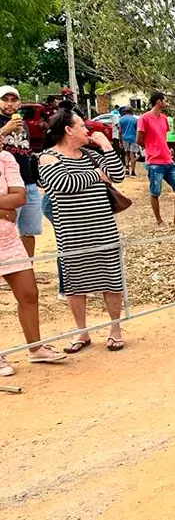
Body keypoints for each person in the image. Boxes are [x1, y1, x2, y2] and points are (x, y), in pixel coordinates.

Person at [38, 107, 128, 352]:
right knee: (75, 284)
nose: (88, 130)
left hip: (104, 228)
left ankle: (115, 328)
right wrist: (97, 175)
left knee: (111, 279)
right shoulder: (48, 158)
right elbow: (64, 184)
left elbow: (118, 175)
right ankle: (82, 332)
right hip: (72, 232)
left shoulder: (91, 154)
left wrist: (107, 147)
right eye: (82, 126)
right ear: (68, 130)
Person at [0, 150, 67, 376]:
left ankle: (35, 348)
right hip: (5, 226)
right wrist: (2, 209)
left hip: (7, 239)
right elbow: (10, 200)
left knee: (29, 293)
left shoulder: (6, 158)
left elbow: (20, 197)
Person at [0, 87, 42, 262]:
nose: (10, 104)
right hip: (7, 187)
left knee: (29, 231)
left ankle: (27, 269)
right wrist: (4, 130)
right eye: (5, 100)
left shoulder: (23, 123)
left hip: (28, 184)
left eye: (13, 100)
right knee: (4, 231)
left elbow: (26, 152)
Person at [137, 91, 175, 227]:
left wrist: (172, 148)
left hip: (167, 159)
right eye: (165, 101)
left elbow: (164, 137)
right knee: (155, 192)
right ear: (158, 102)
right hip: (154, 161)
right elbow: (139, 139)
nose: (167, 103)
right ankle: (159, 221)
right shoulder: (144, 118)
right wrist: (151, 148)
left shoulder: (164, 118)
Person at [118, 107, 139, 176]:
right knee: (132, 154)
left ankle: (127, 168)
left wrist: (120, 140)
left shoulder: (121, 119)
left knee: (126, 154)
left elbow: (120, 131)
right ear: (131, 112)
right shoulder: (135, 120)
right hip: (133, 138)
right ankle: (133, 171)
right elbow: (137, 130)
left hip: (124, 138)